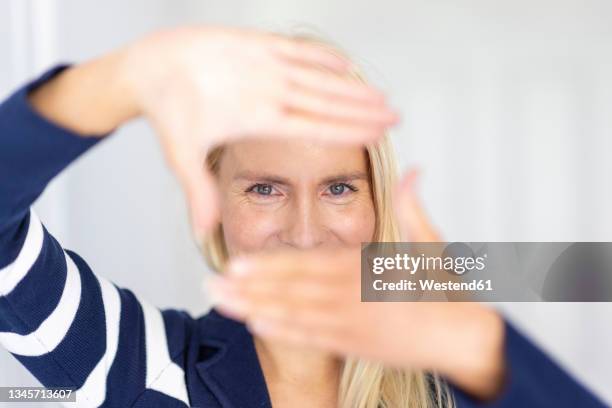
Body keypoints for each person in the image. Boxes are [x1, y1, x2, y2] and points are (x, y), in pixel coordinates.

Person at [0, 26, 606, 407]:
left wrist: (477, 342)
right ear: (211, 201)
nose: (305, 233)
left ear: (379, 201)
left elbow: (584, 273)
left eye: (340, 188)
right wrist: (122, 81)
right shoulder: (139, 365)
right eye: (265, 188)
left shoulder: (458, 381)